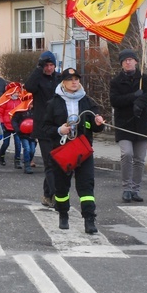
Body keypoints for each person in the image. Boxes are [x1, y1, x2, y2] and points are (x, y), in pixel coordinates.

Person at [42, 68, 105, 233]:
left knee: (86, 185)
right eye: (70, 79)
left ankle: (89, 219)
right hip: (62, 150)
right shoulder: (53, 103)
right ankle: (63, 214)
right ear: (63, 82)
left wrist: (99, 123)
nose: (74, 82)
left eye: (76, 79)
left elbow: (96, 126)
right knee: (61, 186)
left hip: (83, 149)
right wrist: (58, 130)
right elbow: (44, 128)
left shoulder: (87, 101)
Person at [110, 48, 147, 203]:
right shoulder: (116, 82)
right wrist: (133, 98)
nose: (128, 62)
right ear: (121, 64)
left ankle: (135, 189)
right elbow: (115, 101)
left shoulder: (144, 78)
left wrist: (139, 103)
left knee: (139, 159)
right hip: (124, 124)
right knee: (127, 154)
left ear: (136, 61)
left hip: (141, 124)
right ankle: (126, 188)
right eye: (125, 60)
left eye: (130, 59)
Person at [24, 50, 59, 207]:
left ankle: (47, 194)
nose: (49, 68)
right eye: (46, 65)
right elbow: (29, 86)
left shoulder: (59, 79)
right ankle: (57, 196)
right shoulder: (38, 79)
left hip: (58, 126)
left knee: (58, 162)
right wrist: (38, 70)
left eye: (52, 65)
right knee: (49, 163)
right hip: (43, 126)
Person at [0, 82, 23, 168]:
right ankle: (1, 156)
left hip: (16, 126)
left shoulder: (20, 101)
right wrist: (2, 123)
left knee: (18, 144)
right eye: (15, 92)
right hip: (6, 126)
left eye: (18, 92)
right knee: (6, 143)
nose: (17, 94)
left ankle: (17, 160)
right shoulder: (5, 101)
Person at [11, 94, 35, 174]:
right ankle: (27, 165)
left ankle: (27, 160)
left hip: (32, 134)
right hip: (23, 134)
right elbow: (14, 121)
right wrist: (17, 130)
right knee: (27, 148)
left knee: (32, 150)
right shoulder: (20, 112)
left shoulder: (35, 111)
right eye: (30, 103)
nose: (32, 105)